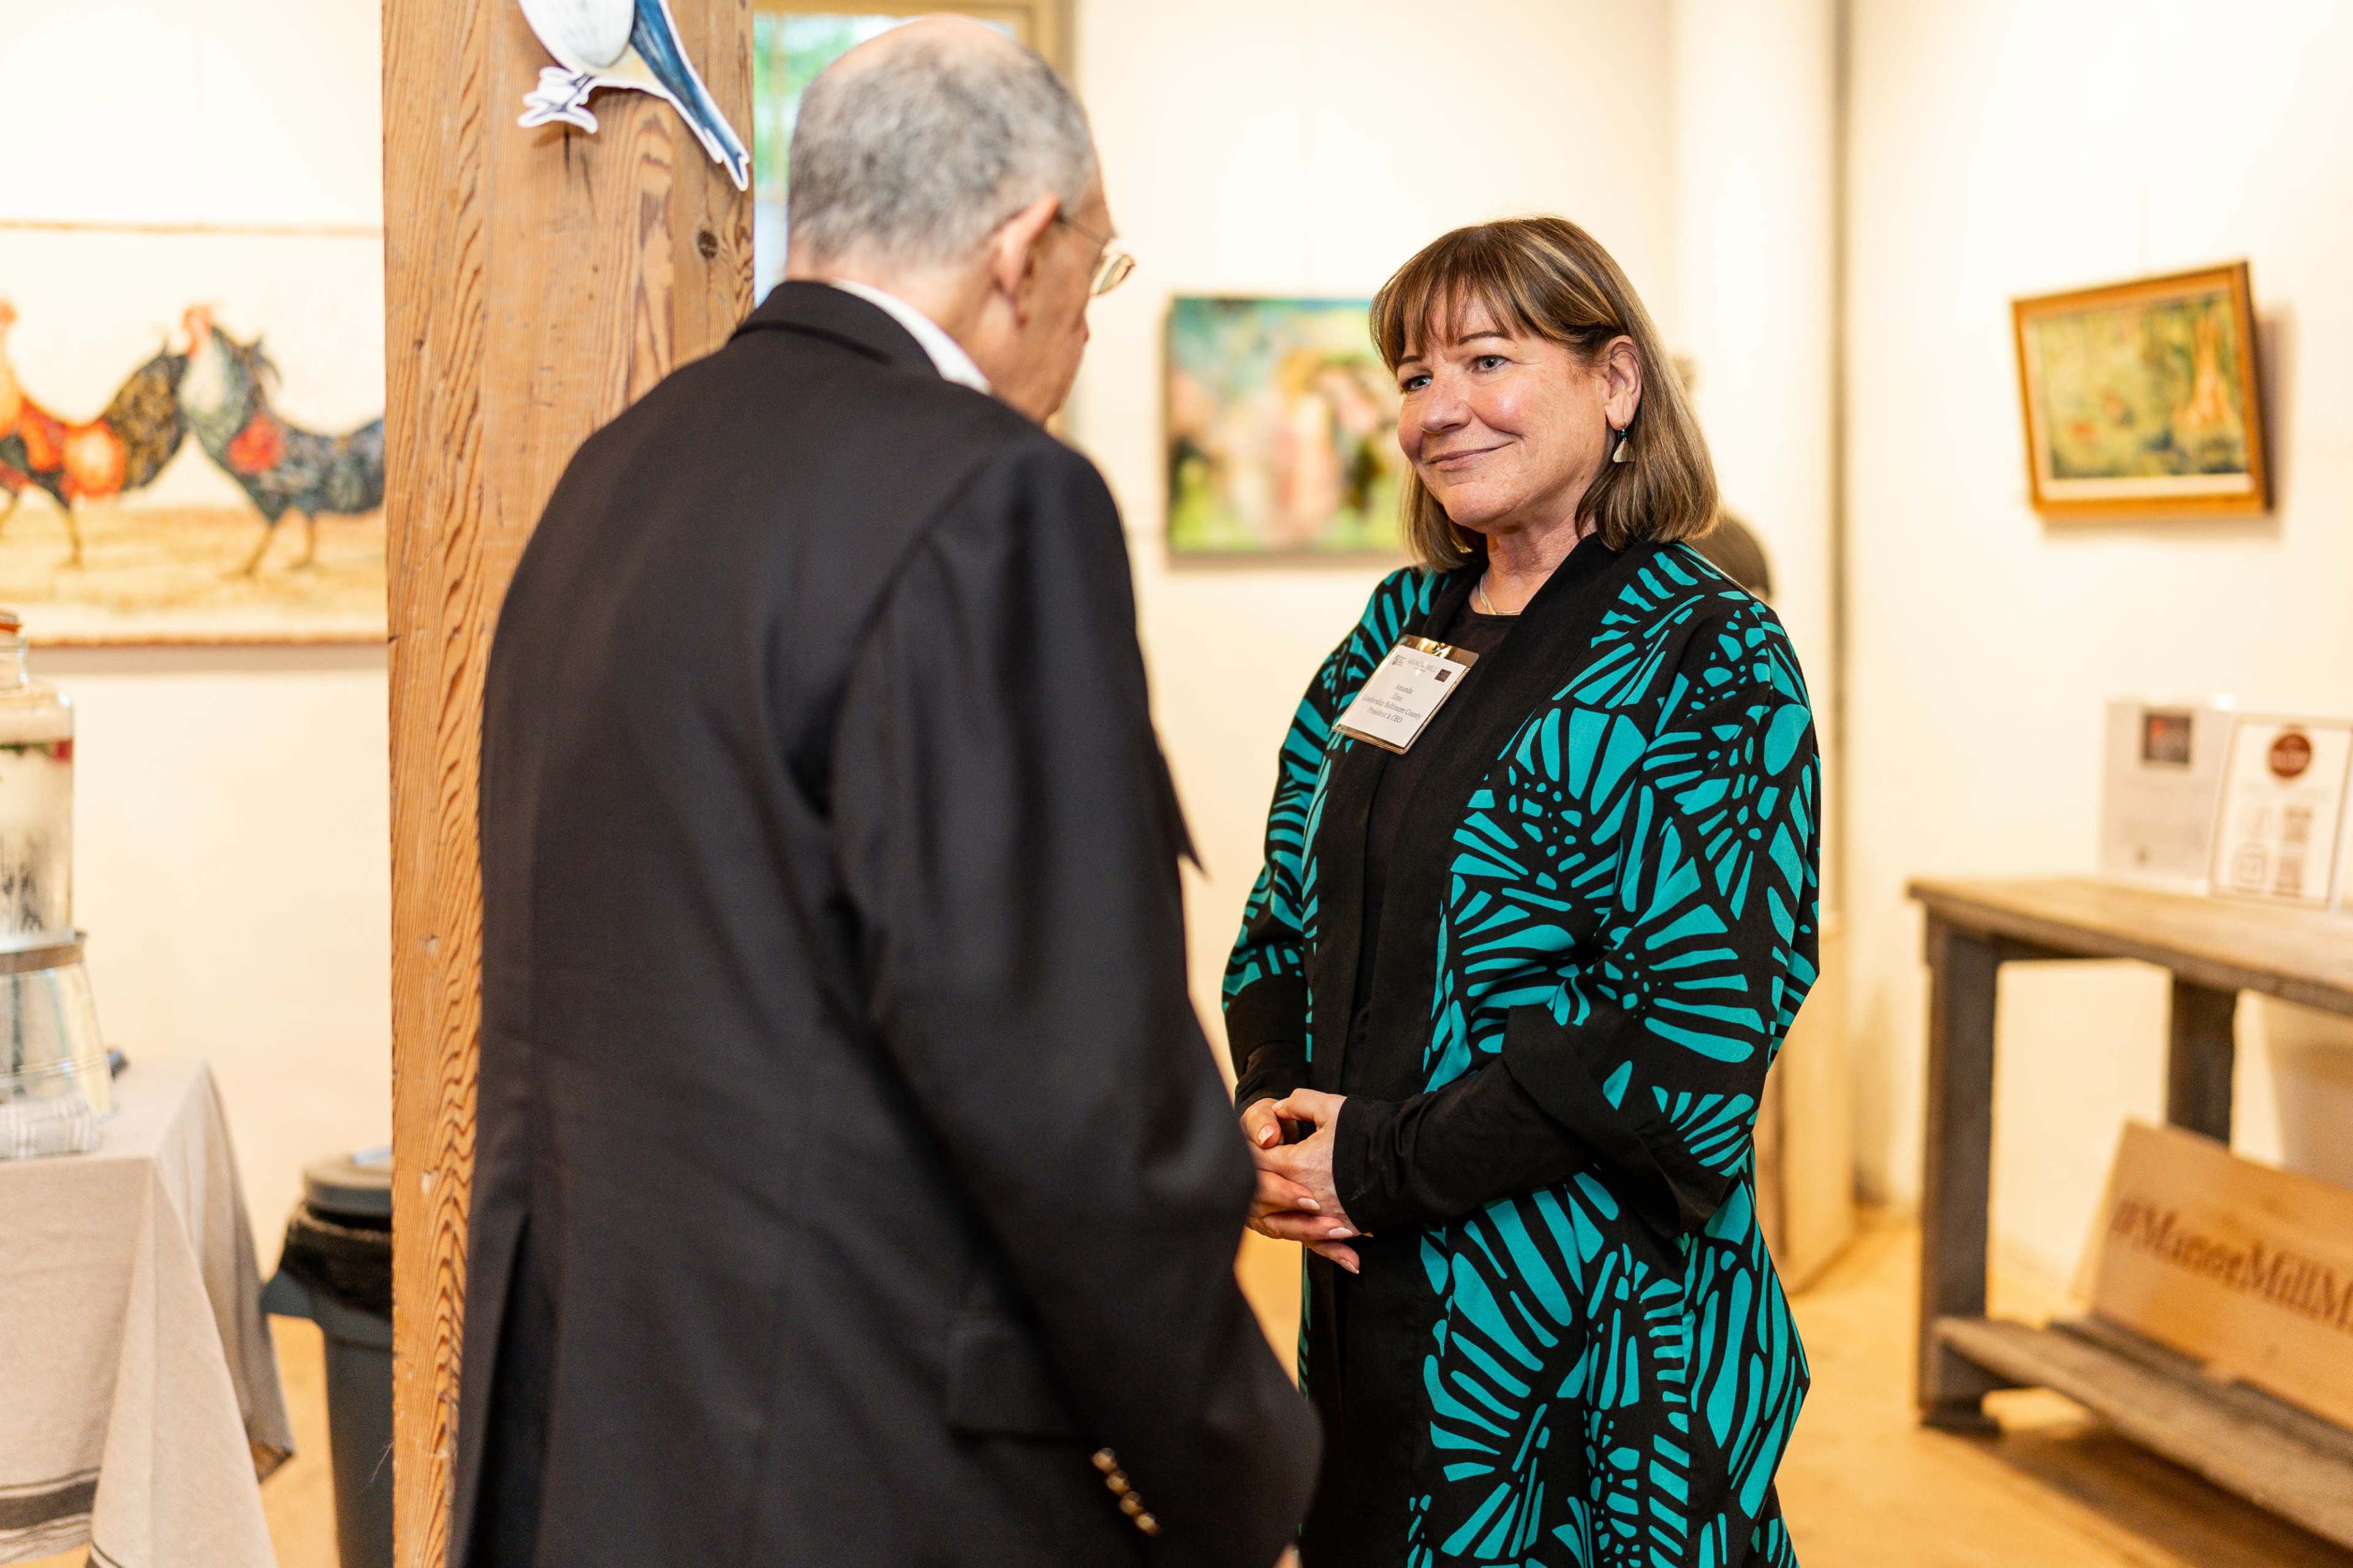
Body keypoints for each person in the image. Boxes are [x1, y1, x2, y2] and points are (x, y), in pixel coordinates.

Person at [455, 20, 1317, 1567]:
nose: (1086, 323)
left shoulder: (616, 475)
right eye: (1099, 272)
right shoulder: (990, 498)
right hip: (866, 1459)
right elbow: (1072, 1086)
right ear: (1025, 249)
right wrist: (1243, 1469)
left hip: (607, 1447)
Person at [1227, 217, 1821, 1566]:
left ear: (1617, 381)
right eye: (1414, 377)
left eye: (1486, 360)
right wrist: (1272, 1112)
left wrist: (1381, 1162)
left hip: (1596, 1329)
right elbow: (1281, 916)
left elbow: (1696, 1023)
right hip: (1371, 1299)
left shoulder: (1712, 653)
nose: (1438, 410)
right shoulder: (1395, 631)